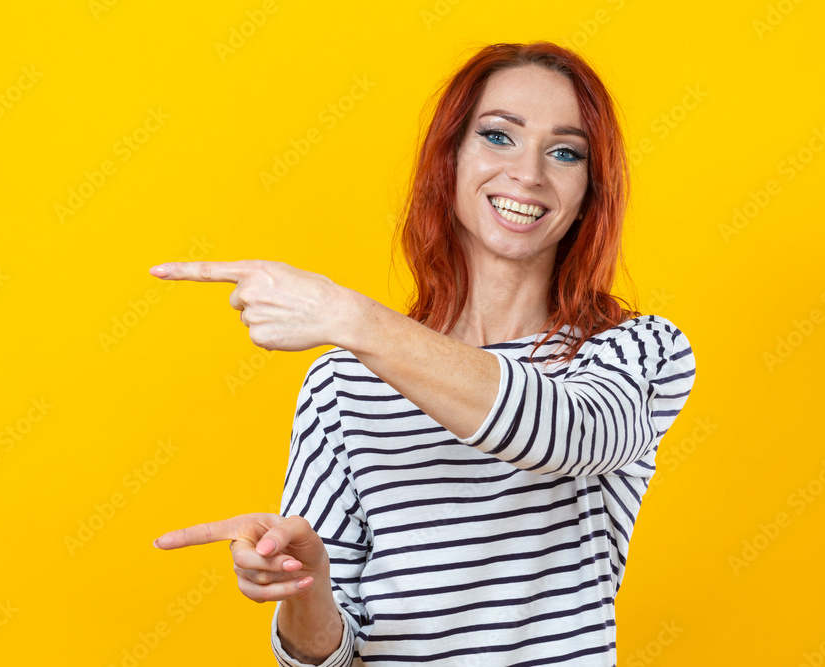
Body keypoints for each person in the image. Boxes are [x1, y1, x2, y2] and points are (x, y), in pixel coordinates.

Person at [150, 41, 696, 666]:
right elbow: (326, 657)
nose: (528, 173)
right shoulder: (343, 383)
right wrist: (307, 587)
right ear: (449, 159)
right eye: (498, 136)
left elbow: (567, 435)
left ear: (589, 192)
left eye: (565, 152)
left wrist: (347, 315)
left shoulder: (635, 350)